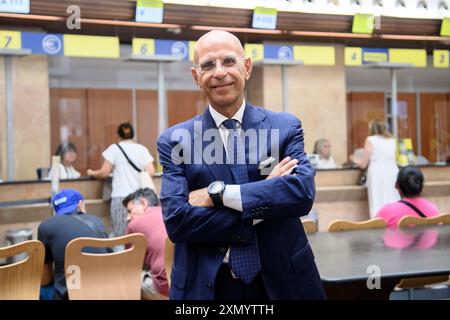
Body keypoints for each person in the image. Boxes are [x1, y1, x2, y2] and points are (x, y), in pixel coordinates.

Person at [157, 30, 325, 300]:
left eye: (228, 61)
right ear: (196, 76)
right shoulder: (175, 141)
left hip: (284, 282)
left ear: (246, 68)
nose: (219, 72)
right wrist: (267, 197)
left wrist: (218, 195)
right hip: (209, 286)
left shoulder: (284, 127)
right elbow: (178, 223)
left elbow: (301, 194)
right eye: (208, 65)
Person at [87, 123, 156, 237]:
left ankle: (119, 254)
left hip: (120, 197)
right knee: (139, 233)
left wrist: (91, 172)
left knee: (119, 234)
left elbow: (104, 173)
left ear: (118, 135)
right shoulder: (141, 149)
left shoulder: (114, 149)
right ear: (133, 135)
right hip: (139, 199)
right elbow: (151, 171)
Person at [38, 189, 109, 300]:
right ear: (80, 204)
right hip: (106, 290)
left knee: (42, 289)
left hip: (69, 295)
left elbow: (45, 279)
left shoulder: (46, 226)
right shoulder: (97, 221)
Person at [123, 188, 169, 299]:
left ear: (143, 204)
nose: (128, 217)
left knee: (127, 277)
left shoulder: (134, 224)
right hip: (191, 286)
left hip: (165, 290)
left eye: (130, 211)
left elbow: (129, 264)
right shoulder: (171, 214)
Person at [350, 119, 400, 218]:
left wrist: (353, 159)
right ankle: (394, 218)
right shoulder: (393, 140)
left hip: (377, 171)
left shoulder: (371, 139)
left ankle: (378, 221)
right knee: (392, 196)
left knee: (377, 198)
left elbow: (363, 164)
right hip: (392, 171)